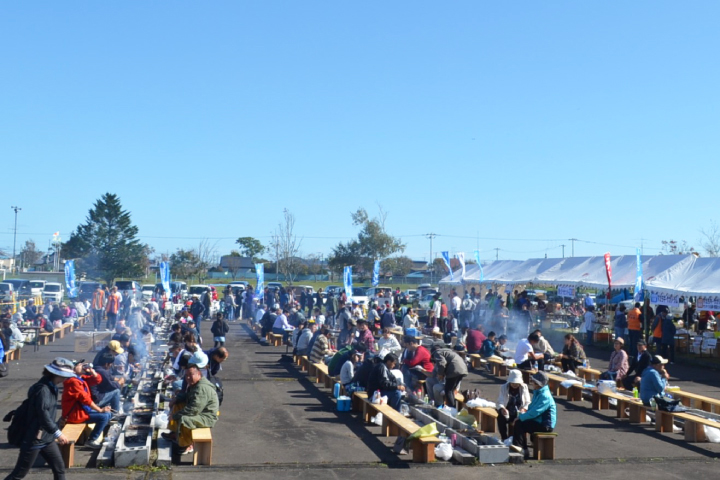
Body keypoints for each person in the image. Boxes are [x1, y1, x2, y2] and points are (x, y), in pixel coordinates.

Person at [3, 358, 75, 480]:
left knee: (59, 468)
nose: (65, 379)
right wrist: (58, 433)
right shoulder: (43, 389)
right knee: (19, 474)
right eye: (64, 376)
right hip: (34, 439)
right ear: (56, 374)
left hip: (47, 438)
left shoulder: (51, 386)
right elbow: (43, 415)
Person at [162, 352, 219, 455]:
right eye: (186, 375)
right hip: (200, 411)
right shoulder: (196, 384)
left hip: (207, 416)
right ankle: (175, 434)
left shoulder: (201, 388)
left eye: (191, 375)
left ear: (199, 374)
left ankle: (187, 444)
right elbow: (187, 396)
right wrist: (176, 399)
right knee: (178, 404)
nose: (188, 378)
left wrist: (174, 416)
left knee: (184, 419)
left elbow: (193, 410)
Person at [62, 360, 112, 449]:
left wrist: (92, 371)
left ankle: (94, 437)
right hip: (75, 415)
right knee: (104, 416)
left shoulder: (80, 378)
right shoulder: (73, 382)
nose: (82, 366)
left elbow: (97, 380)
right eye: (79, 365)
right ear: (73, 370)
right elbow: (85, 399)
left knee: (108, 414)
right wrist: (99, 410)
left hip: (82, 411)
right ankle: (91, 440)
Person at [510, 371, 556, 459]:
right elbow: (532, 408)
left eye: (533, 382)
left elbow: (535, 412)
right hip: (539, 422)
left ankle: (521, 448)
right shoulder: (538, 392)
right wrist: (523, 412)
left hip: (545, 425)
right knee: (520, 422)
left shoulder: (545, 396)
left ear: (538, 384)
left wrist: (521, 417)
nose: (531, 383)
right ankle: (522, 448)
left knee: (520, 423)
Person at [428, 342, 467, 408]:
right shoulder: (448, 352)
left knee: (448, 390)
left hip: (454, 369)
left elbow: (442, 363)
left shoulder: (437, 353)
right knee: (451, 389)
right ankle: (453, 407)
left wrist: (441, 374)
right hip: (463, 369)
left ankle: (451, 408)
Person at [496, 369, 531, 441]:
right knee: (500, 418)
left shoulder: (524, 387)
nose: (515, 384)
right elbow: (500, 402)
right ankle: (504, 438)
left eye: (517, 383)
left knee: (523, 420)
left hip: (520, 412)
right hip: (508, 412)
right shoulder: (504, 387)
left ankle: (520, 440)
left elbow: (528, 402)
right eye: (513, 383)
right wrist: (502, 408)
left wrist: (524, 409)